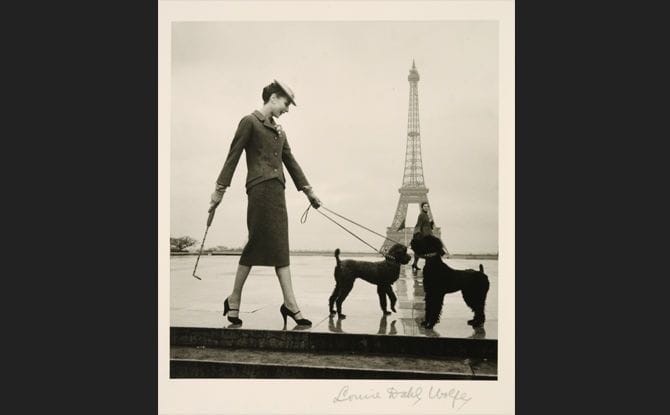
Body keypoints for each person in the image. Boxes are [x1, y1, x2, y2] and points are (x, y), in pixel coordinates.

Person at [208, 80, 321, 327]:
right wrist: (219, 190)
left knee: (281, 246)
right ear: (273, 97)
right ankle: (235, 297)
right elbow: (233, 156)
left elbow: (291, 163)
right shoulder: (249, 122)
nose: (287, 109)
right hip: (259, 191)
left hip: (277, 192)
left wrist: (309, 192)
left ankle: (289, 303)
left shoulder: (280, 131)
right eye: (286, 103)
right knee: (256, 243)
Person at [411, 202, 434, 272]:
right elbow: (419, 224)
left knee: (420, 250)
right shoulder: (421, 215)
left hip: (428, 234)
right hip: (424, 234)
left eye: (427, 206)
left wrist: (431, 223)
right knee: (427, 250)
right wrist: (418, 233)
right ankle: (427, 266)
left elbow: (428, 226)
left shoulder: (427, 215)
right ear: (422, 207)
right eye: (425, 206)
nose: (426, 207)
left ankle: (414, 264)